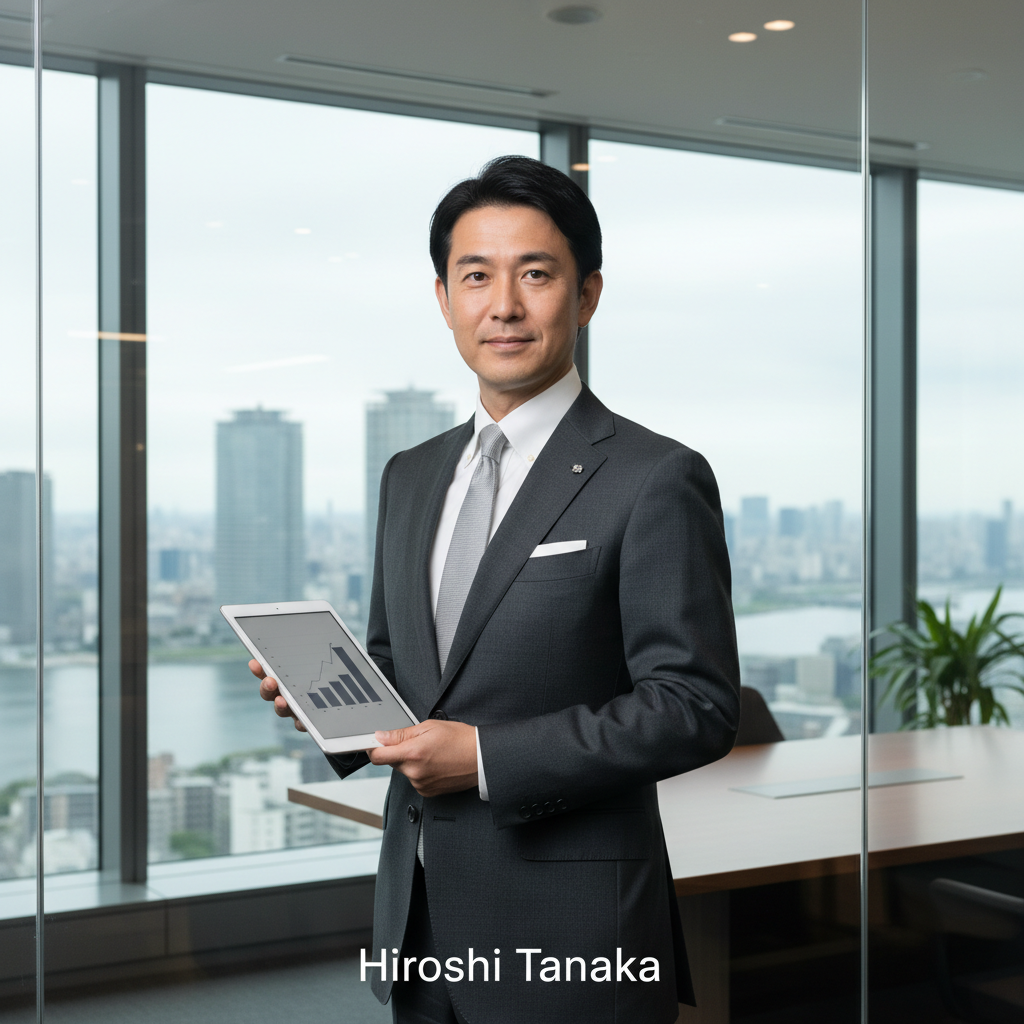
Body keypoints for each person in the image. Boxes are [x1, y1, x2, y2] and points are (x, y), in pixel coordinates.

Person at [252, 155, 740, 1024]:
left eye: (536, 274)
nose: (503, 305)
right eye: (475, 276)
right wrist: (332, 701)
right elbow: (411, 667)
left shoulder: (654, 477)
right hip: (420, 923)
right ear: (443, 299)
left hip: (575, 935)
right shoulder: (410, 474)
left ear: (586, 295)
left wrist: (482, 760)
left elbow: (693, 705)